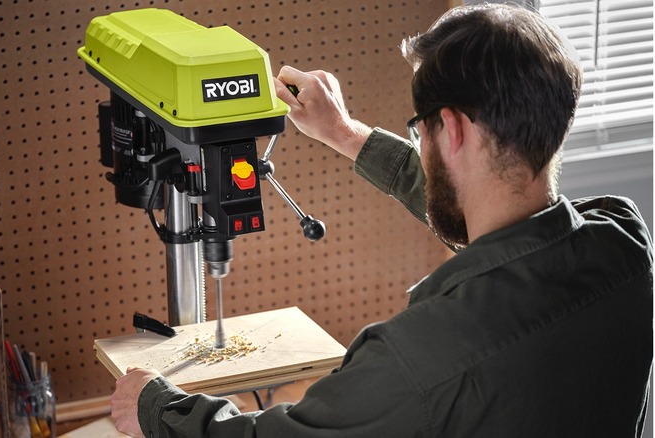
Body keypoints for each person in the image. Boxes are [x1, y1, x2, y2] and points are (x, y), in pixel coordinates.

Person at [111, 3, 653, 437]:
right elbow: (503, 231)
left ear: (452, 129)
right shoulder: (624, 246)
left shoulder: (417, 356)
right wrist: (346, 135)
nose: (420, 144)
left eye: (420, 131)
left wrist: (155, 407)